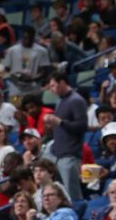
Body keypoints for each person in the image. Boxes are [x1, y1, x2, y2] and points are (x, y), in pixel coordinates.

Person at [45, 72, 87, 203]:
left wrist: (60, 122)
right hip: (59, 153)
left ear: (62, 82)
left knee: (72, 194)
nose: (51, 90)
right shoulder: (61, 101)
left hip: (70, 153)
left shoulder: (76, 100)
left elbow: (81, 126)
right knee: (59, 195)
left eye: (53, 86)